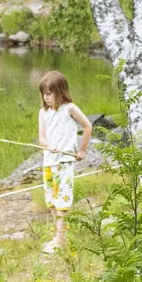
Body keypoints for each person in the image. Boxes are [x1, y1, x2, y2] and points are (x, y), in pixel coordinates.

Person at [35, 70, 92, 255]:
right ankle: (59, 237)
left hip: (64, 162)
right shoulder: (43, 112)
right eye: (44, 94)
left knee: (62, 200)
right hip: (49, 162)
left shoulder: (70, 109)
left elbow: (87, 126)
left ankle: (60, 240)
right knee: (51, 201)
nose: (46, 98)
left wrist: (82, 150)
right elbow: (41, 138)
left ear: (60, 92)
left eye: (49, 94)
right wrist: (49, 145)